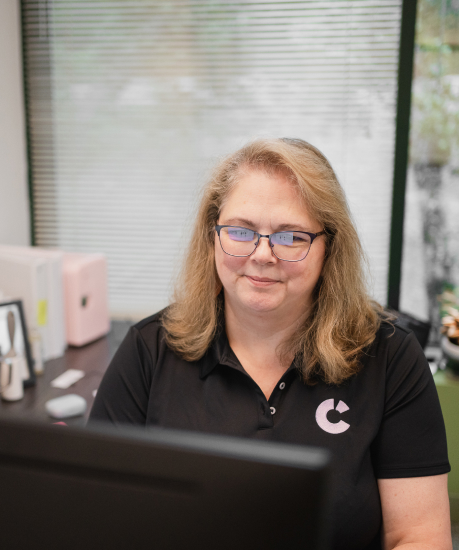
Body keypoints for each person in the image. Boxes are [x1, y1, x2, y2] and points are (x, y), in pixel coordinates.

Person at [89, 138, 452, 549]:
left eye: (291, 237)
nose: (262, 255)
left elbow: (419, 536)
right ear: (213, 237)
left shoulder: (390, 357)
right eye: (241, 231)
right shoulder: (148, 351)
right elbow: (97, 519)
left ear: (328, 247)